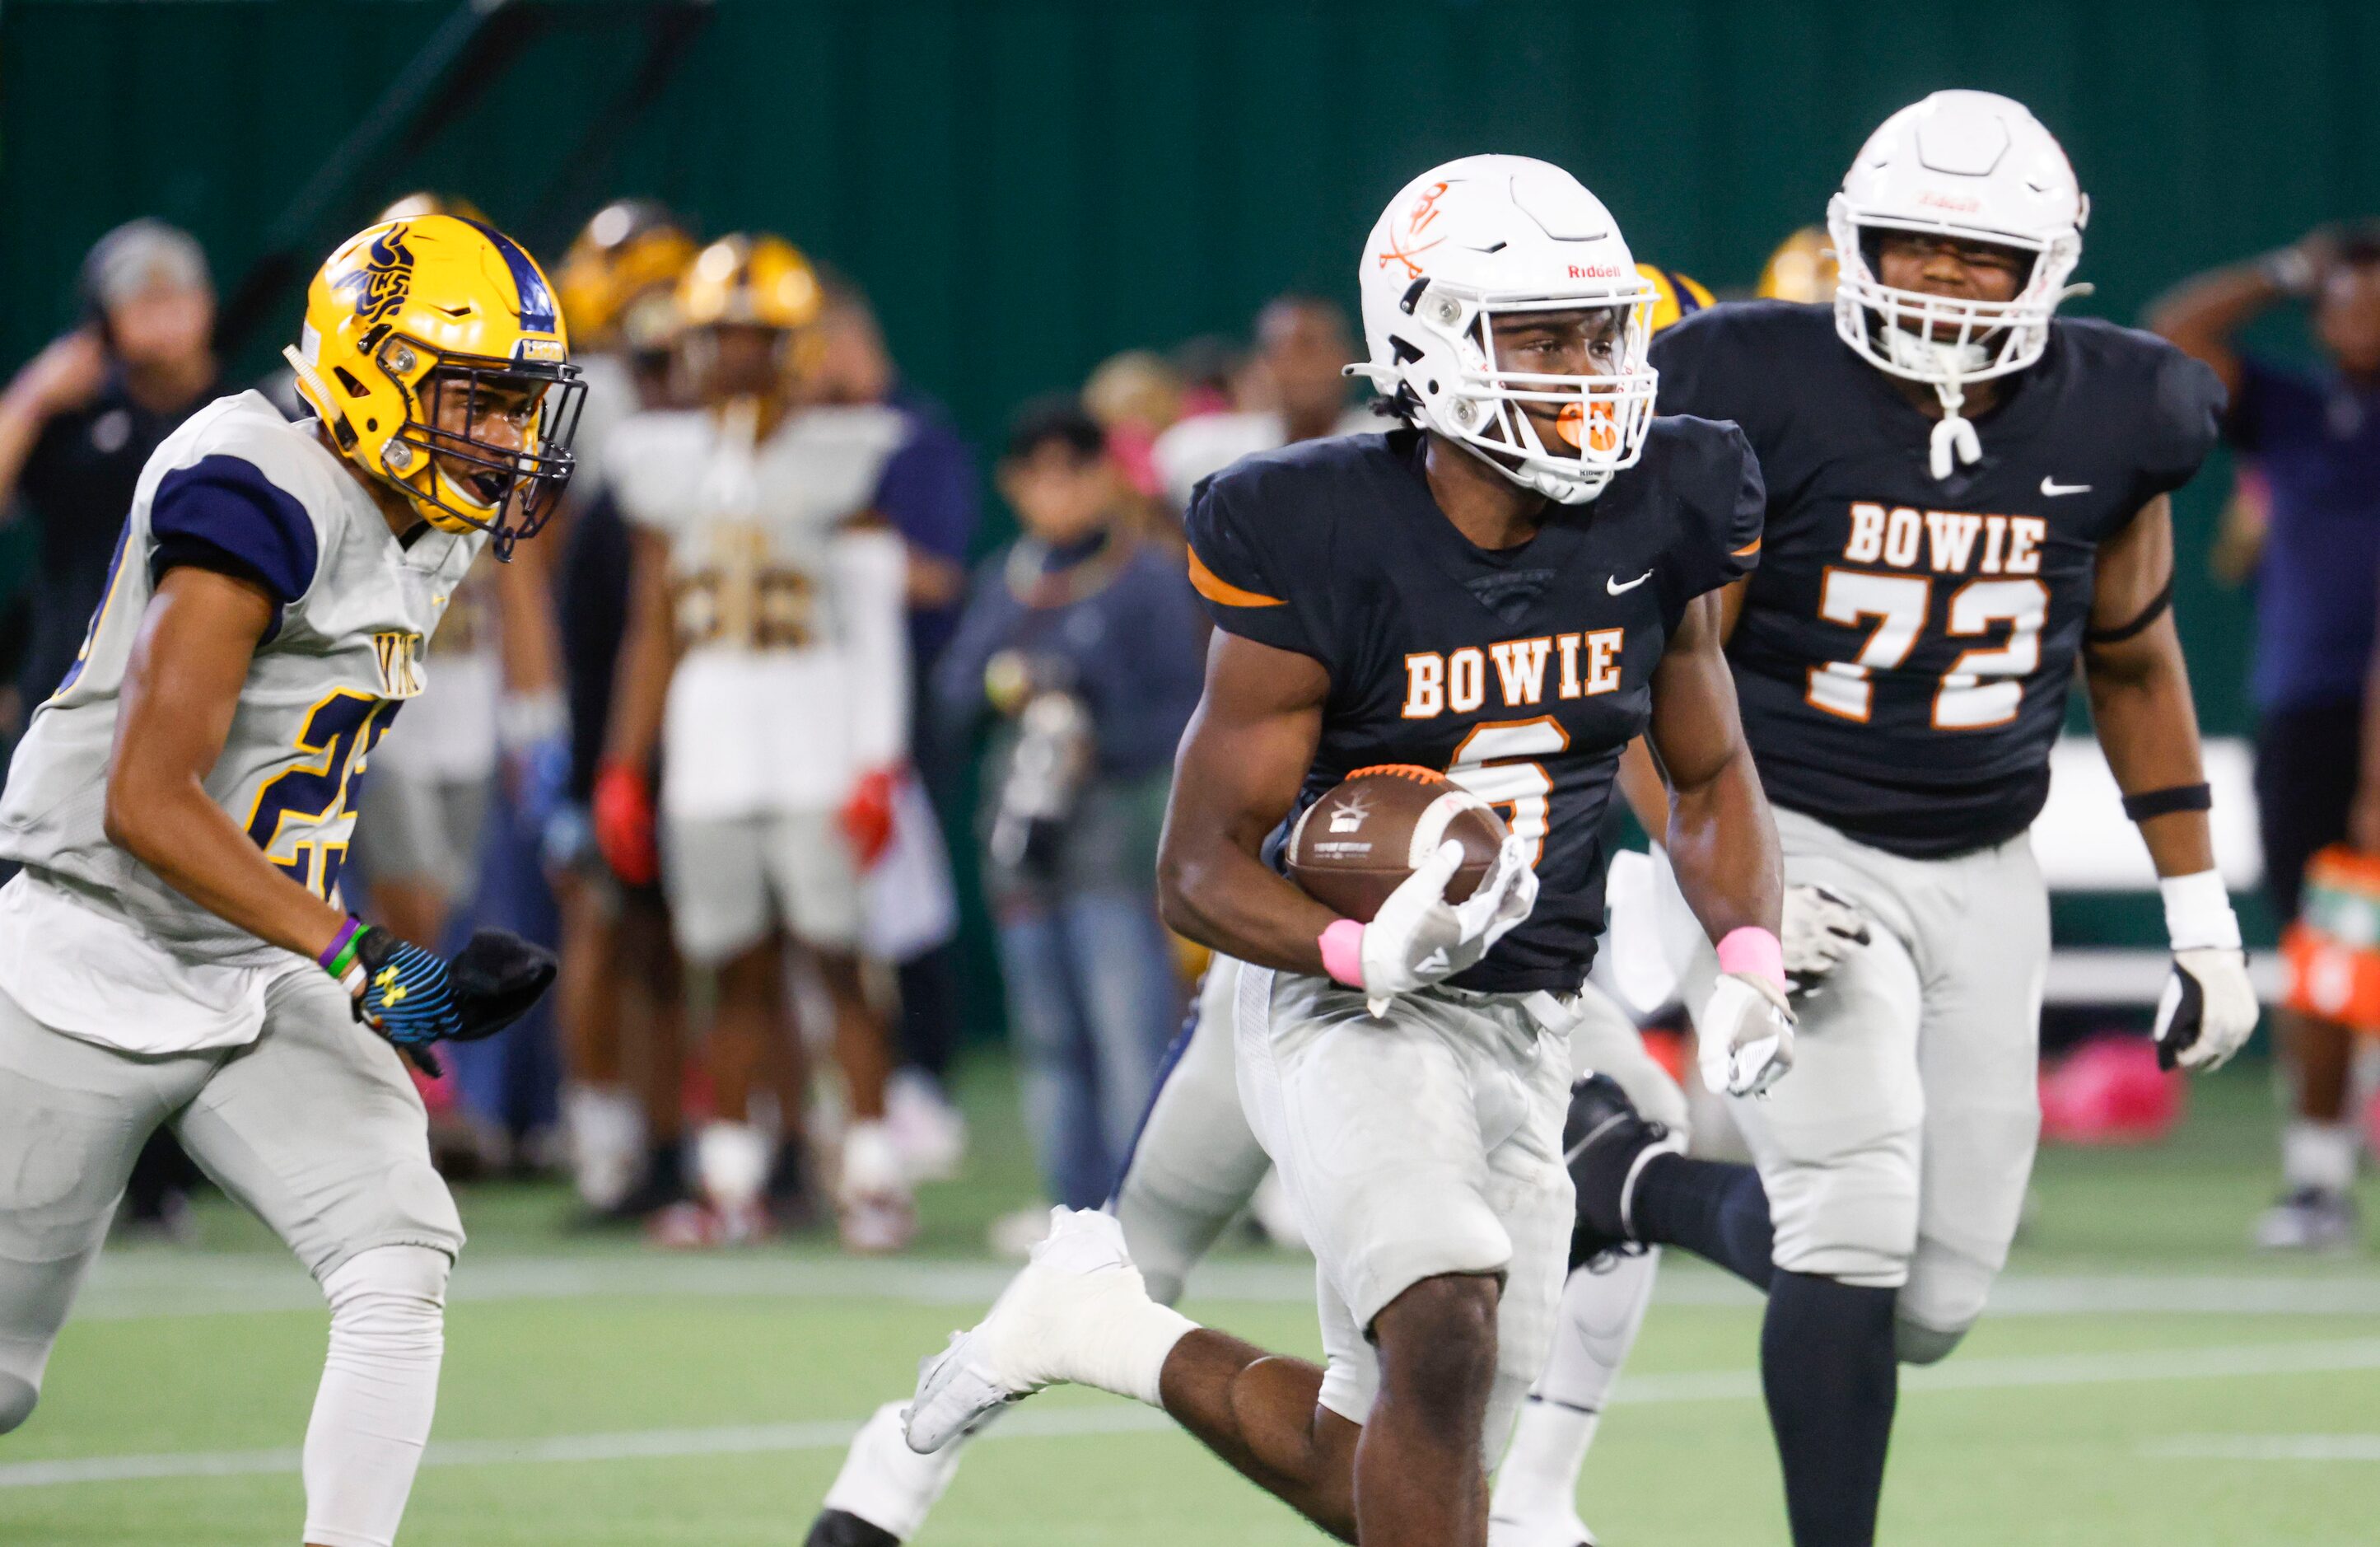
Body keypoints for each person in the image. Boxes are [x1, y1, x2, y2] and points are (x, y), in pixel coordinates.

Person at [894, 155, 1792, 1547]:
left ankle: (1106, 1328)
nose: (1587, 369)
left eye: (1600, 330)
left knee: (1398, 1463)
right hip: (1346, 1001)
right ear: (1426, 337)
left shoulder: (1671, 494)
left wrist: (1746, 950)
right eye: (1539, 335)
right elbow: (1197, 861)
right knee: (1443, 1316)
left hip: (1532, 1013)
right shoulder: (1315, 526)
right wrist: (1354, 942)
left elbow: (1710, 763)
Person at [1547, 91, 2256, 1547]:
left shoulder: (2130, 408)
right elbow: (1660, 672)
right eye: (1911, 245)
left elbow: (2130, 655)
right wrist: (1736, 890)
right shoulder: (1750, 380)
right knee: (1850, 1216)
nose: (1938, 279)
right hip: (1787, 831)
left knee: (1929, 1299)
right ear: (1855, 241)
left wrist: (2199, 910)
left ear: (2050, 265)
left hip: (1988, 861)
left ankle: (1628, 1179)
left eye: (1976, 255)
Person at [0, 213, 577, 1546]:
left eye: (519, 404)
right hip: (86, 944)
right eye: (478, 398)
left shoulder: (431, 514)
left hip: (255, 966)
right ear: (371, 372)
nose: (505, 437)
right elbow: (143, 800)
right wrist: (361, 953)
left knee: (397, 1254)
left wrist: (339, 954)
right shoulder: (250, 479)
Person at [595, 234, 916, 1251]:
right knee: (726, 968)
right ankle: (731, 1177)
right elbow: (655, 623)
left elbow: (873, 616)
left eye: (753, 336)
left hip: (817, 733)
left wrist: (879, 757)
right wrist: (622, 764)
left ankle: (869, 1170)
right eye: (716, 336)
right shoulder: (660, 460)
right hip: (710, 743)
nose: (732, 356)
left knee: (837, 959)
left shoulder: (845, 452)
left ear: (793, 345)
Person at [2149, 222, 2380, 1249]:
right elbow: (2173, 335)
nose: (2358, 314)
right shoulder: (2293, 411)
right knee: (2326, 944)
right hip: (2311, 720)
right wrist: (2286, 269)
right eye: (2346, 295)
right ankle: (2319, 1181)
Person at [931, 397, 1203, 1214]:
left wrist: (1090, 718)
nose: (1057, 492)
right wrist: (1005, 687)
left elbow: (1182, 714)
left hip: (1113, 848)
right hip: (1023, 848)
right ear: (1014, 485)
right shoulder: (1006, 581)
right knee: (1050, 1041)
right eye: (1038, 475)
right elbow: (948, 701)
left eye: (1073, 472)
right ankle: (1072, 1215)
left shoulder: (1146, 580)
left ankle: (1141, 1212)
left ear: (1105, 476)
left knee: (1129, 1038)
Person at [548, 198, 700, 1219]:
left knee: (713, 946)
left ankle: (712, 1139)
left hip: (715, 740)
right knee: (607, 933)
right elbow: (575, 611)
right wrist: (577, 748)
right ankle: (609, 1136)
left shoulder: (731, 458)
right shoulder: (600, 473)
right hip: (616, 730)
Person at [807, 270, 978, 1183]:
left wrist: (841, 541)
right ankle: (839, 1090)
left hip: (898, 696)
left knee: (906, 903)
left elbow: (938, 576)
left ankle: (923, 1085)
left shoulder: (911, 440)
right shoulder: (798, 443)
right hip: (809, 702)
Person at [0, 219, 221, 720]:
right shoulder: (70, 421)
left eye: (176, 298)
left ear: (206, 301)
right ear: (103, 322)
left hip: (201, 694)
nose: (163, 319)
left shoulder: (243, 413)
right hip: (74, 694)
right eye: (142, 303)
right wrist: (32, 396)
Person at [1150, 294, 1376, 512]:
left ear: (1347, 356)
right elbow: (1169, 458)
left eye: (1308, 348)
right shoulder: (1212, 446)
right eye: (1279, 351)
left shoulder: (1388, 442)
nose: (1294, 366)